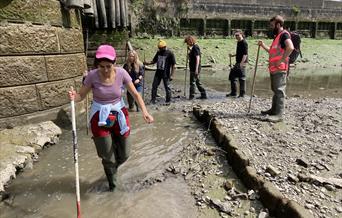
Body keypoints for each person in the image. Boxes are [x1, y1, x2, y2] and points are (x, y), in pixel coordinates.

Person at [68, 44, 154, 192]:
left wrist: (145, 112)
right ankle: (113, 187)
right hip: (99, 116)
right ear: (97, 65)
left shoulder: (122, 73)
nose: (106, 70)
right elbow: (81, 95)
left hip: (119, 114)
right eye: (102, 66)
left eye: (109, 66)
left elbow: (135, 94)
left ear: (114, 63)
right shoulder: (92, 76)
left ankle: (112, 167)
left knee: (125, 153)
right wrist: (73, 97)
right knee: (108, 157)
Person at [258, 15, 294, 121]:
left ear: (278, 24)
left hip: (280, 68)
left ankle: (279, 115)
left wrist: (282, 60)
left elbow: (290, 47)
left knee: (279, 90)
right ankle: (273, 110)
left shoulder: (284, 35)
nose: (271, 27)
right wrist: (263, 45)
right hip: (274, 68)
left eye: (272, 25)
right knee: (275, 90)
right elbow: (272, 51)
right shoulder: (277, 37)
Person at [144, 40, 176, 104]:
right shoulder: (158, 52)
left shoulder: (170, 53)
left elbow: (174, 65)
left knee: (167, 87)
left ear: (165, 47)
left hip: (166, 74)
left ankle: (168, 101)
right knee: (154, 86)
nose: (160, 49)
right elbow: (154, 61)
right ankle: (153, 100)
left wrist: (172, 75)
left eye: (161, 48)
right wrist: (147, 63)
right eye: (159, 48)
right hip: (158, 73)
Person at [184, 35, 207, 100]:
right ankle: (203, 94)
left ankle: (191, 96)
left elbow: (197, 58)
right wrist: (189, 52)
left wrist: (196, 69)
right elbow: (192, 56)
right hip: (193, 68)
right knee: (197, 82)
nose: (187, 44)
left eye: (187, 42)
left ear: (190, 41)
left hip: (195, 68)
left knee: (192, 83)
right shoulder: (193, 48)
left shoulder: (196, 47)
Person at [227, 30, 248, 98]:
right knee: (232, 77)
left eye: (238, 35)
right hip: (238, 62)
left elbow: (245, 54)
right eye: (235, 35)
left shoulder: (244, 42)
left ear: (241, 34)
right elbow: (240, 53)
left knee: (242, 78)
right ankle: (234, 93)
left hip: (242, 62)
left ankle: (242, 95)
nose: (236, 37)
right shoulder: (238, 42)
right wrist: (233, 55)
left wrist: (241, 64)